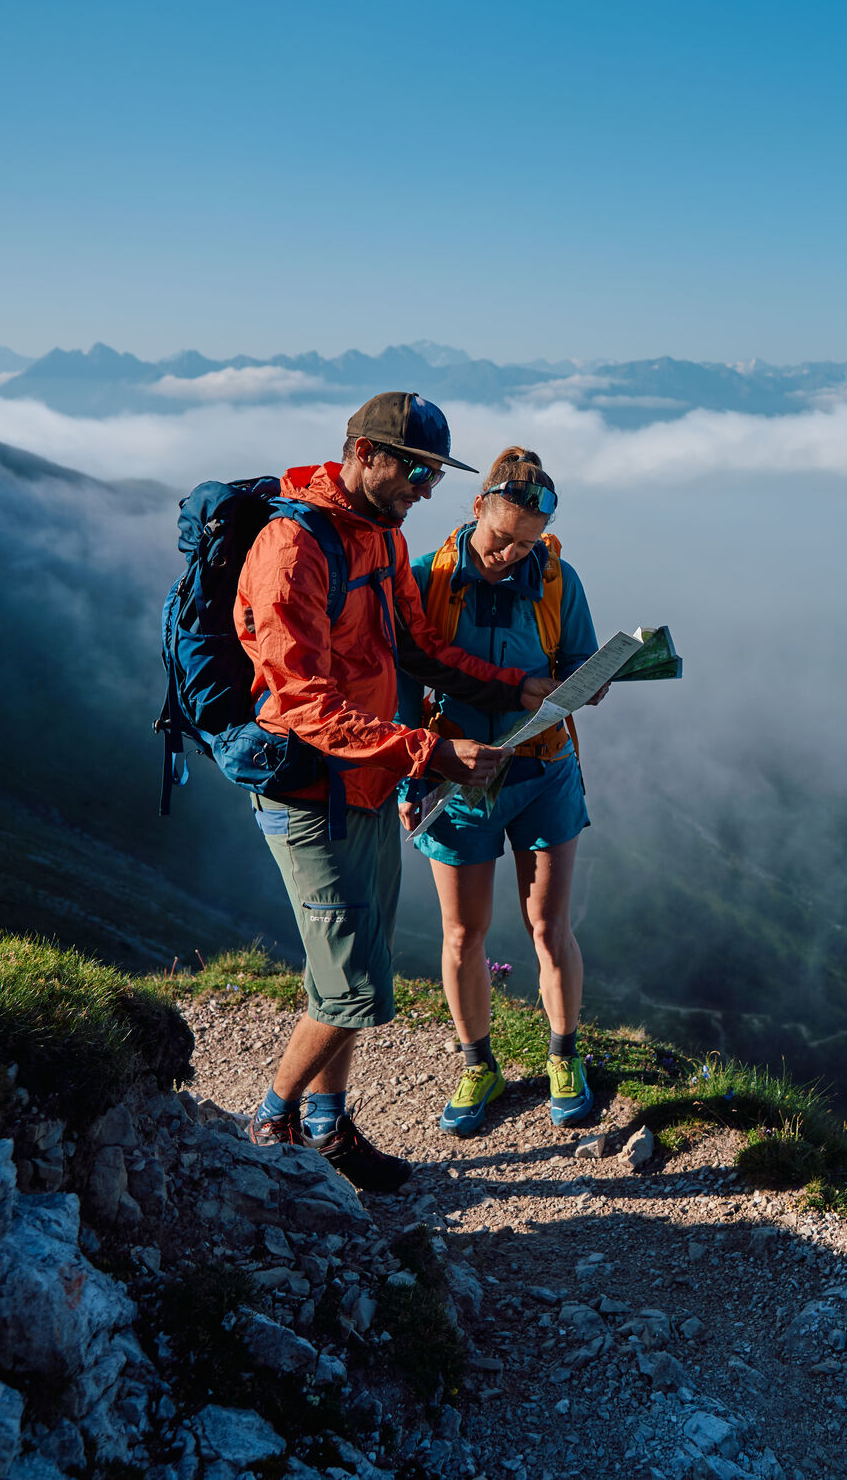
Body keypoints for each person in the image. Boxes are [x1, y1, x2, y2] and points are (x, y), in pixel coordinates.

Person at [237, 394, 559, 1191]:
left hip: (370, 782)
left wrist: (515, 685)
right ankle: (269, 1125)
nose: (424, 488)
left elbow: (418, 647)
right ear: (361, 452)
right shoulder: (294, 548)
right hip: (311, 793)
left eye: (433, 475)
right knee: (352, 987)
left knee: (360, 960)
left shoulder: (380, 534)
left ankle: (327, 1127)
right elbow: (299, 701)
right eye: (414, 469)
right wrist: (427, 751)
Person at [397, 447, 604, 1135]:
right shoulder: (425, 579)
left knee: (549, 926)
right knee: (464, 934)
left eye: (526, 543)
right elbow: (399, 686)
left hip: (544, 769)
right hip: (455, 779)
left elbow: (578, 659)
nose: (510, 555)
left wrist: (591, 682)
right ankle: (477, 1064)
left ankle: (562, 1055)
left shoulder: (556, 579)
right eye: (500, 538)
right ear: (476, 507)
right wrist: (410, 772)